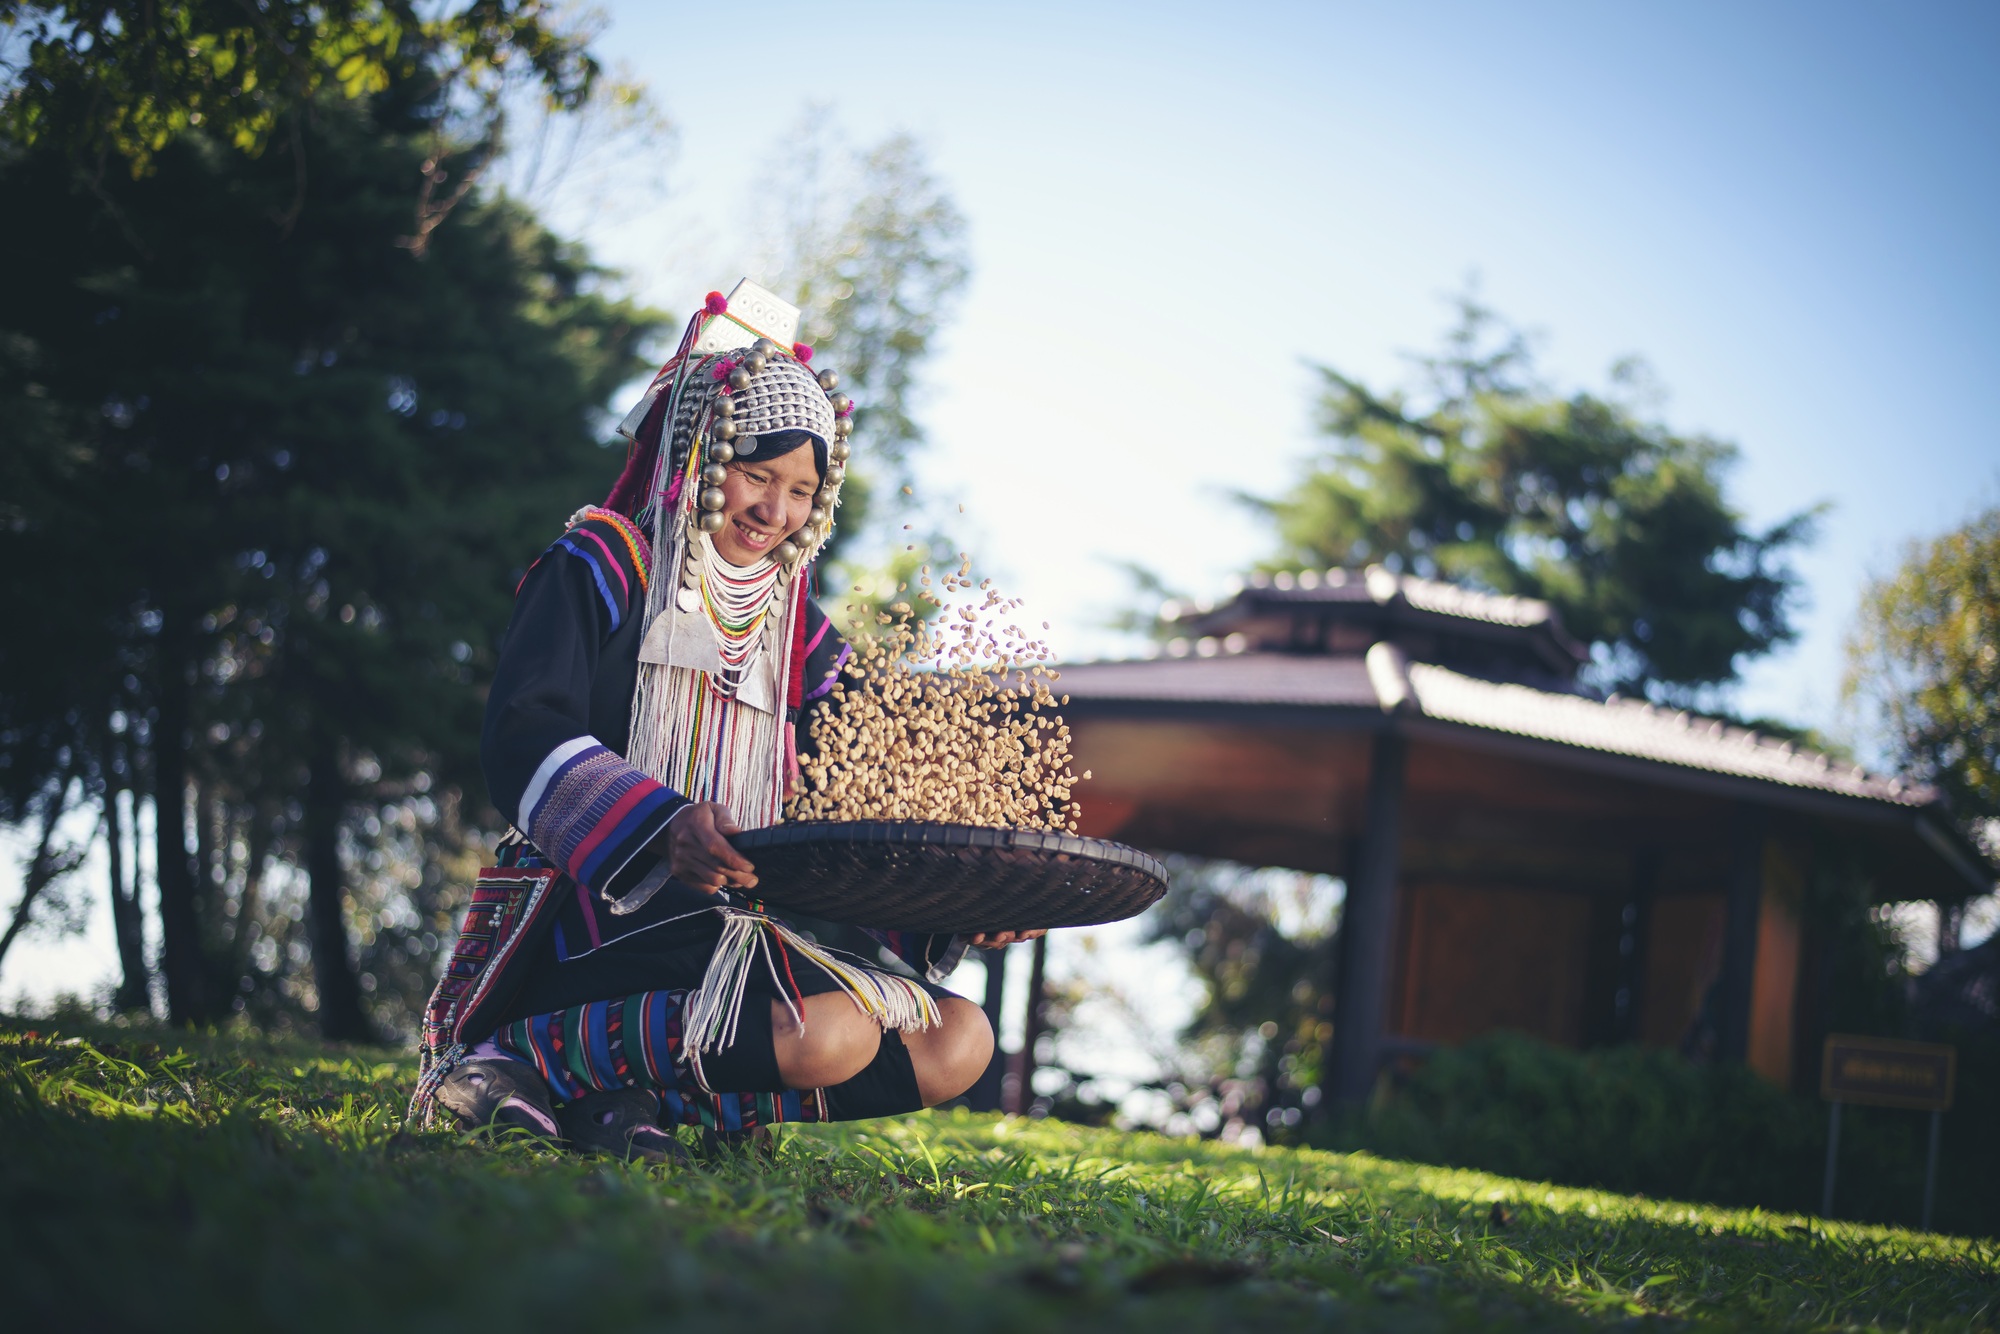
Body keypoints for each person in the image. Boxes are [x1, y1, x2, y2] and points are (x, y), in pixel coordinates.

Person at [408, 283, 1041, 1159]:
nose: (773, 512)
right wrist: (665, 828)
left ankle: (632, 1102)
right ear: (702, 451)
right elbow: (524, 728)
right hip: (600, 916)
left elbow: (856, 800)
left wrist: (960, 899)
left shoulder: (798, 633)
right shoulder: (602, 561)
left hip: (740, 924)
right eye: (755, 473)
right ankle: (499, 1059)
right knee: (832, 1035)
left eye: (800, 489)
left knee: (957, 1041)